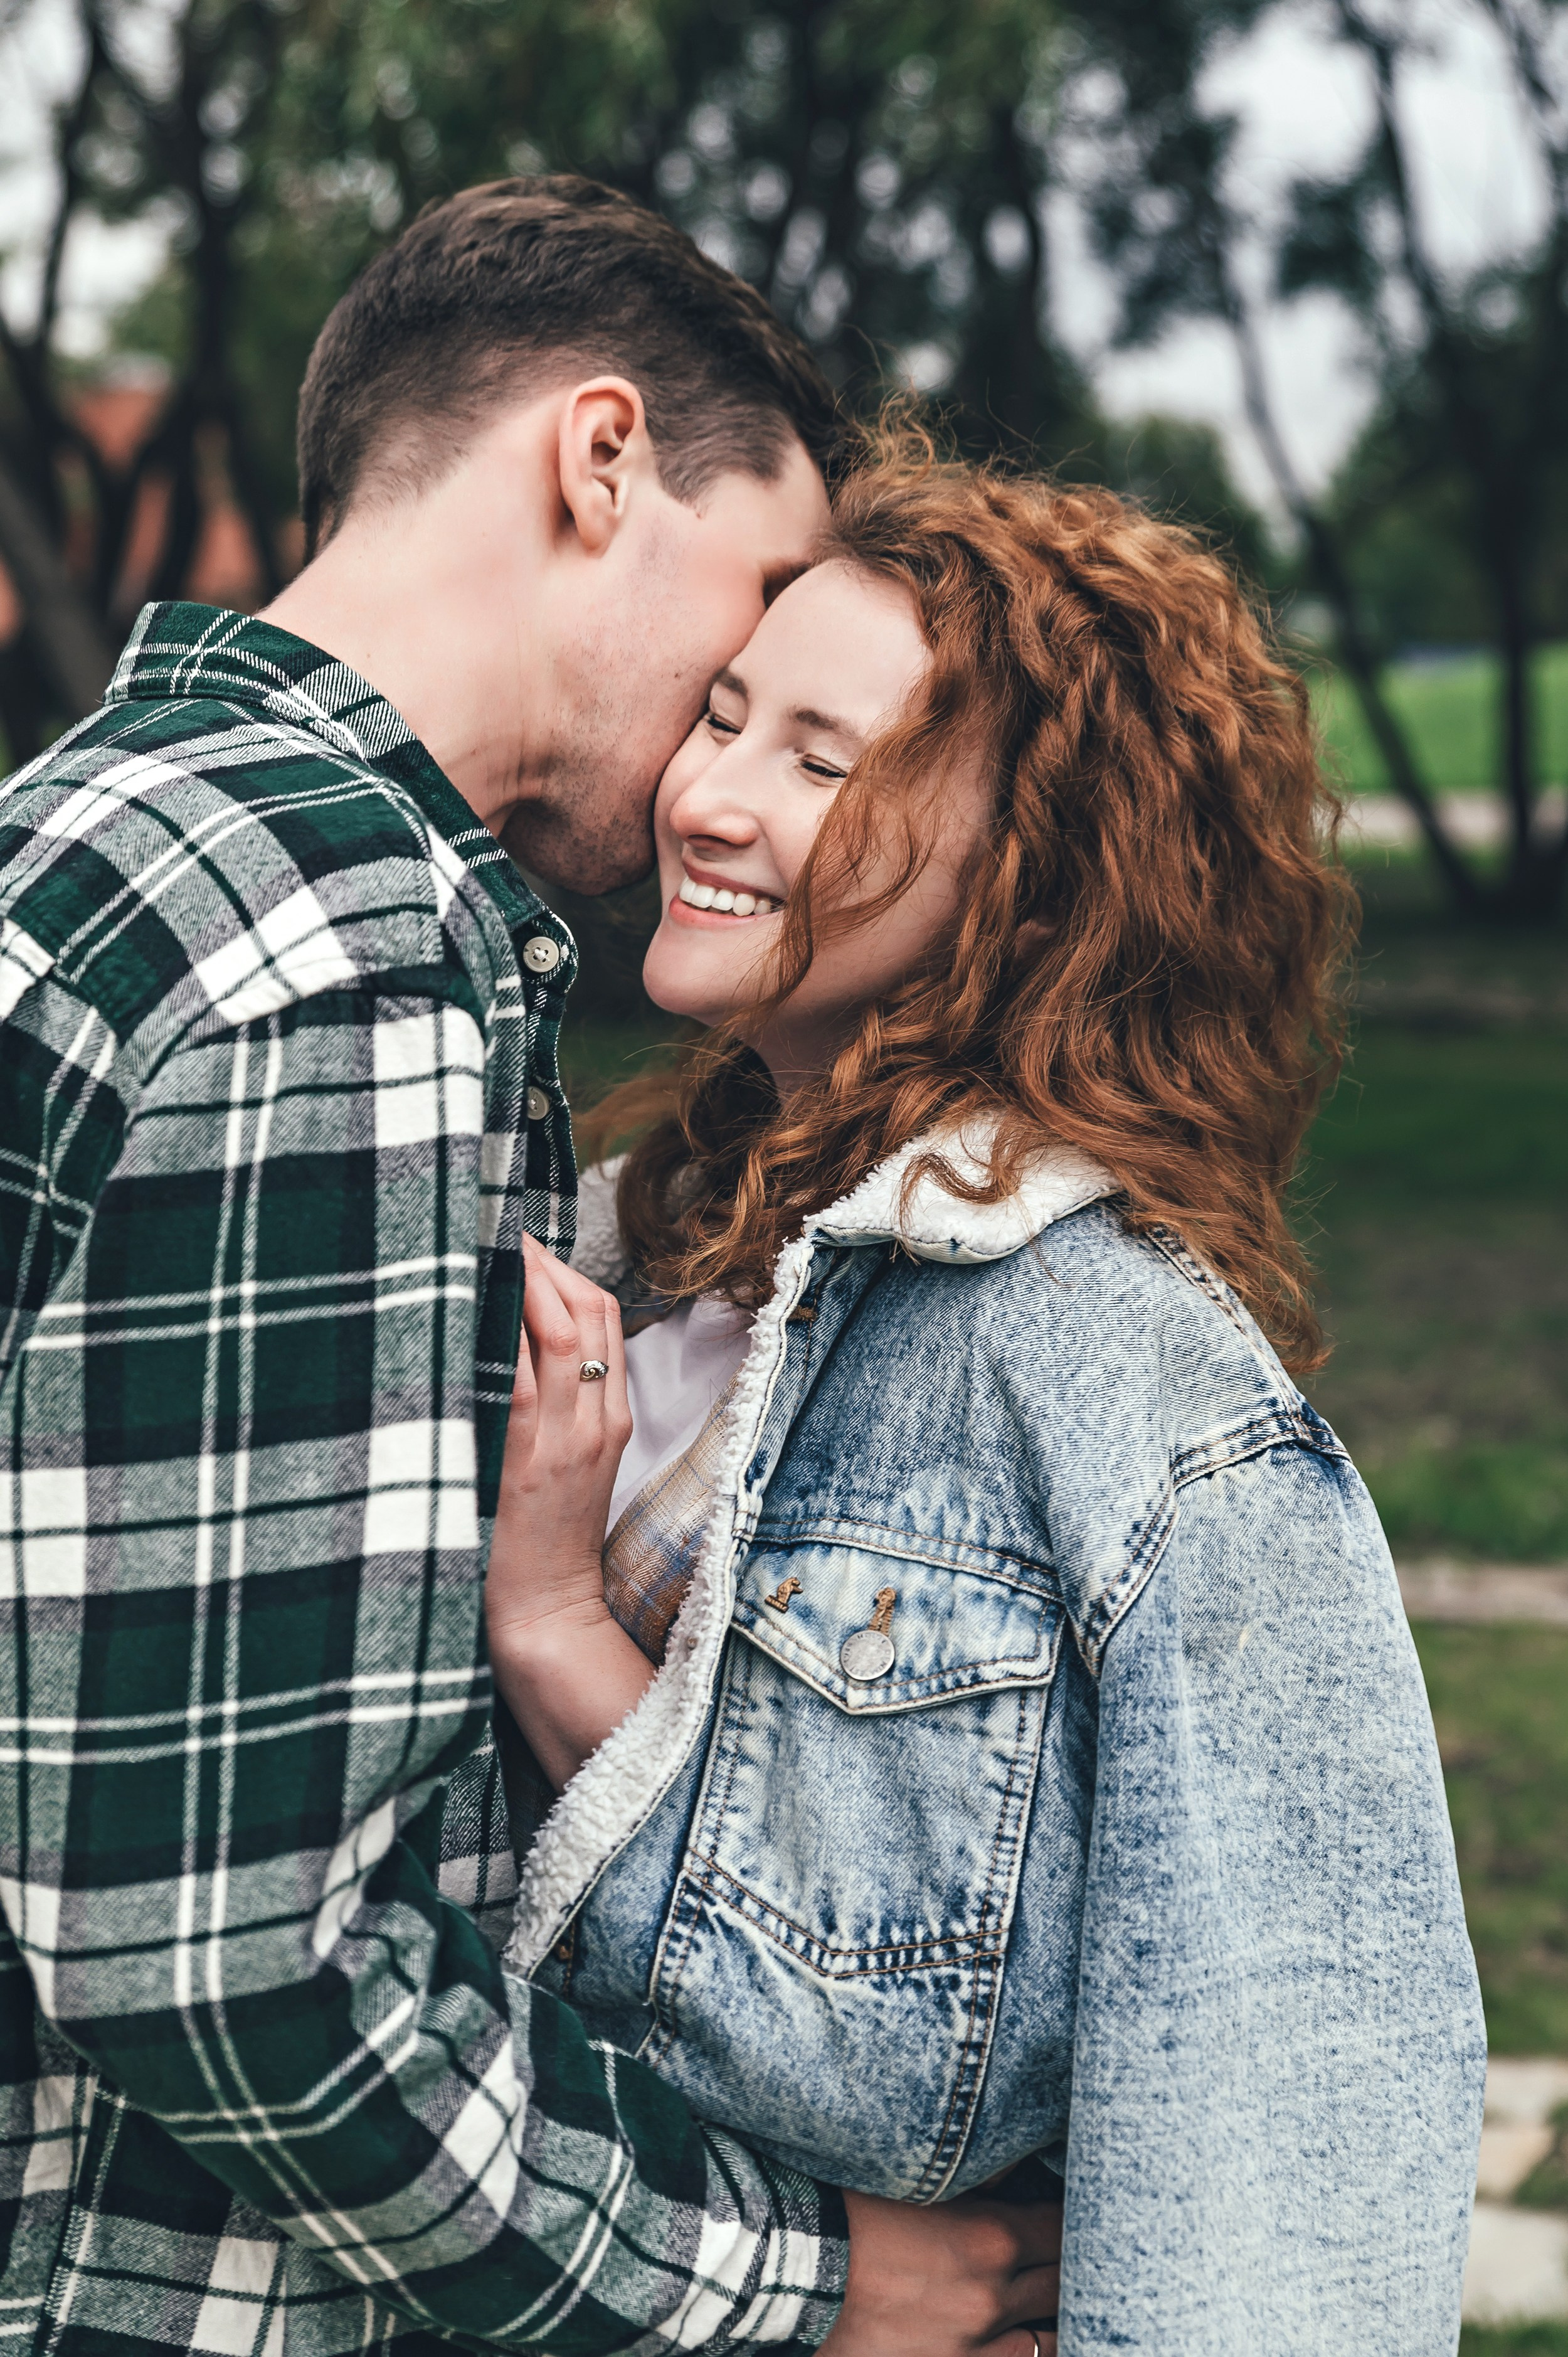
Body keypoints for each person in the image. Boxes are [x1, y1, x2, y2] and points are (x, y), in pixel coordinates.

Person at [0, 183, 1062, 2356]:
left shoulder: (85, 839)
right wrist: (802, 2283)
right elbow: (224, 1953)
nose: (724, 736)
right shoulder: (336, 952)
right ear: (599, 462)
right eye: (756, 596)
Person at [484, 447, 1488, 2355]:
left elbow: (1273, 2152)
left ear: (1025, 874)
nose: (704, 796)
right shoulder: (634, 1241)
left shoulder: (1133, 1396)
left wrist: (549, 1627)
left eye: (817, 759)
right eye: (721, 715)